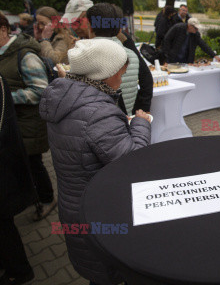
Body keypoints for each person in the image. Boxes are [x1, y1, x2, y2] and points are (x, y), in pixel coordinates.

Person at [39, 38, 151, 285]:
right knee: (111, 272)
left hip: (75, 206)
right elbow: (131, 161)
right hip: (101, 212)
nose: (123, 76)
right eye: (120, 71)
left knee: (99, 275)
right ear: (105, 73)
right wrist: (141, 123)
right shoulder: (97, 112)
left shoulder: (65, 96)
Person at [0, 12, 56, 221]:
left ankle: (47, 199)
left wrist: (7, 97)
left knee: (33, 163)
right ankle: (30, 196)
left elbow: (41, 90)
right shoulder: (4, 54)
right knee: (20, 163)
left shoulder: (25, 55)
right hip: (13, 122)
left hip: (28, 123)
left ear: (4, 29)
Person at [0, 75, 37, 284]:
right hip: (8, 156)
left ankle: (18, 270)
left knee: (3, 224)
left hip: (5, 160)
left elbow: (38, 89)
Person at [86, 3, 153, 116]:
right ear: (118, 29)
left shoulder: (85, 55)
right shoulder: (131, 55)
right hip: (124, 121)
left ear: (91, 26)